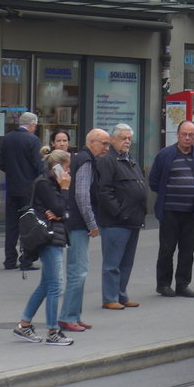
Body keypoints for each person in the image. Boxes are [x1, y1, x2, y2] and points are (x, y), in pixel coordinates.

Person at [13, 150, 73, 345]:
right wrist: (64, 191)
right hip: (48, 237)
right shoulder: (45, 184)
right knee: (56, 285)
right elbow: (58, 208)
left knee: (46, 285)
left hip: (55, 235)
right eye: (66, 167)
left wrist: (61, 212)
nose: (69, 171)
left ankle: (24, 324)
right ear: (56, 167)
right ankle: (53, 330)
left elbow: (64, 211)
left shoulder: (53, 184)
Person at [59, 128, 109, 333]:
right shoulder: (86, 161)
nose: (107, 148)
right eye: (103, 143)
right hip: (78, 223)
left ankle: (75, 316)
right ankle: (68, 317)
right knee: (78, 271)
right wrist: (92, 223)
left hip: (74, 221)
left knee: (78, 270)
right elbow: (82, 195)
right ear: (92, 142)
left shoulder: (79, 158)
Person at [149, 121, 194, 298]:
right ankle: (163, 284)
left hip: (191, 211)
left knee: (187, 250)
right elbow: (154, 180)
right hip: (169, 211)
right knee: (167, 249)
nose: (188, 138)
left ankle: (182, 284)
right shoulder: (166, 154)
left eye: (191, 135)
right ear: (178, 135)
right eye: (184, 134)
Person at [92, 123, 146, 310]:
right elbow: (104, 192)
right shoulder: (108, 160)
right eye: (123, 138)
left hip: (133, 220)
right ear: (113, 140)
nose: (127, 142)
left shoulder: (130, 159)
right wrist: (120, 212)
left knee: (126, 262)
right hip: (116, 221)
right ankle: (110, 297)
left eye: (129, 139)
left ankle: (122, 295)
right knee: (112, 263)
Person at [0, 111, 44, 270]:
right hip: (28, 189)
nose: (35, 129)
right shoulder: (33, 140)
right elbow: (38, 165)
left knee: (11, 225)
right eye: (35, 126)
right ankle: (26, 260)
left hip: (11, 187)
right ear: (31, 125)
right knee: (28, 225)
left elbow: (0, 163)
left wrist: (12, 172)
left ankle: (9, 260)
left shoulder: (7, 139)